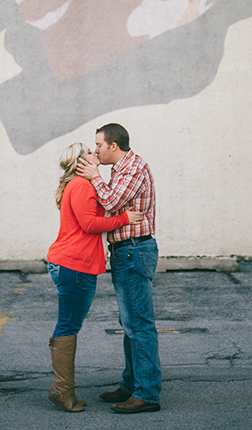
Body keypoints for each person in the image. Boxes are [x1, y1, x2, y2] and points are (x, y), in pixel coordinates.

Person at [46, 142, 143, 412]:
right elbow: (90, 225)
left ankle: (64, 391)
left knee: (69, 325)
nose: (95, 153)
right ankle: (62, 391)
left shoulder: (81, 185)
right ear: (79, 161)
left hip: (75, 265)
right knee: (67, 326)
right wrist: (124, 218)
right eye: (90, 151)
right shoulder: (80, 185)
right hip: (73, 265)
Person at [77, 122, 161, 414]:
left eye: (99, 145)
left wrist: (94, 177)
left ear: (114, 146)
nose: (95, 149)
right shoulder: (121, 169)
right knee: (131, 325)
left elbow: (111, 201)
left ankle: (147, 394)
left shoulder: (133, 168)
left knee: (140, 326)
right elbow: (113, 207)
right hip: (126, 252)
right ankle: (131, 385)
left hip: (134, 251)